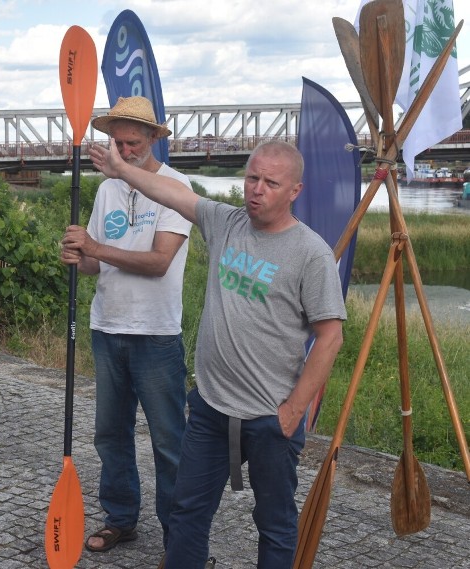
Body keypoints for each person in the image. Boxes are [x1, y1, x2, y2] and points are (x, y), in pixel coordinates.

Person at [90, 139, 347, 568]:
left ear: (294, 191)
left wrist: (292, 411)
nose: (257, 189)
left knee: (274, 523)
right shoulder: (226, 223)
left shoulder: (310, 253)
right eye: (251, 177)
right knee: (187, 512)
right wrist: (122, 170)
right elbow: (171, 193)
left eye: (270, 182)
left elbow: (330, 337)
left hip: (269, 417)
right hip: (210, 410)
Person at [60, 96, 192, 555]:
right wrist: (78, 256)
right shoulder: (106, 190)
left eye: (133, 142)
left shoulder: (176, 186)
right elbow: (95, 267)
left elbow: (158, 262)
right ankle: (121, 518)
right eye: (117, 141)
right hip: (107, 327)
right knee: (110, 434)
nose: (124, 150)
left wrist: (96, 248)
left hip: (156, 335)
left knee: (169, 440)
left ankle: (180, 534)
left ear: (155, 137)